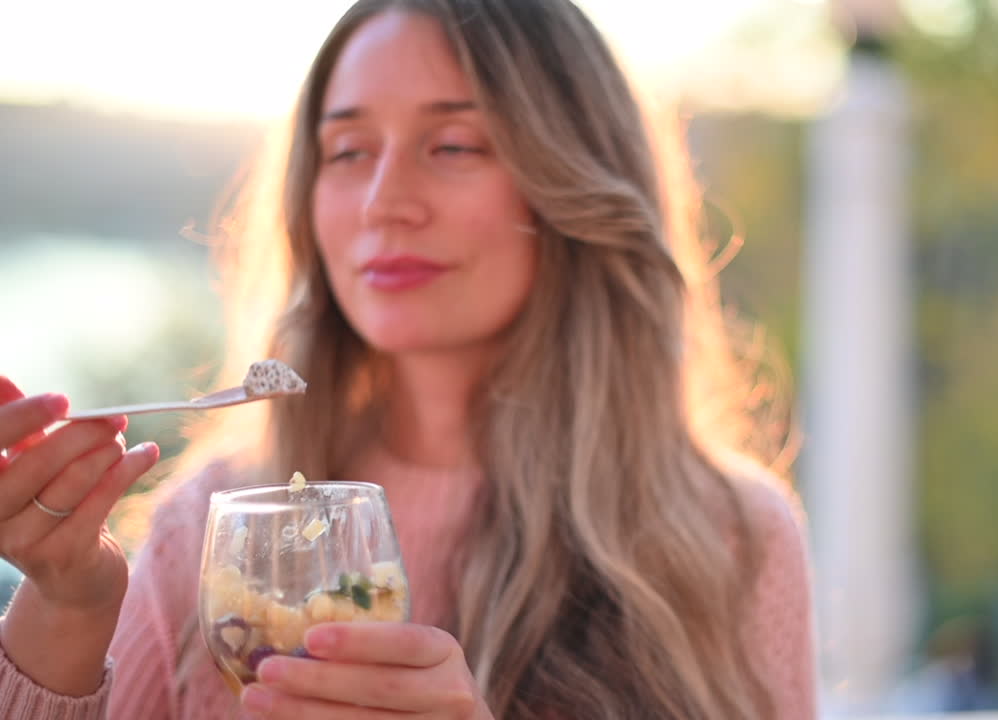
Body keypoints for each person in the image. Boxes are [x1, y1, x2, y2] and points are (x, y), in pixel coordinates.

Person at [0, 1, 816, 718]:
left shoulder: (727, 540)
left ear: (571, 185)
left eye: (454, 146)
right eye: (348, 151)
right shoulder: (213, 530)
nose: (384, 201)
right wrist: (67, 611)